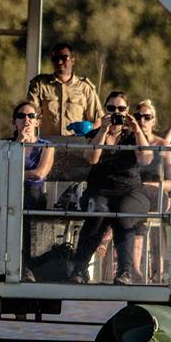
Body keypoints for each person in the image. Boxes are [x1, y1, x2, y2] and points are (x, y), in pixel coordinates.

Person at [70, 91, 155, 285]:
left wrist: (137, 130)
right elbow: (92, 158)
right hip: (100, 190)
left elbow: (146, 159)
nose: (116, 112)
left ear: (127, 111)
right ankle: (79, 268)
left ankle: (124, 272)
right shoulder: (95, 135)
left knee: (124, 215)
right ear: (105, 111)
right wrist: (103, 131)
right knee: (98, 213)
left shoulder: (134, 135)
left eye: (121, 109)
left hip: (130, 190)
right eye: (111, 108)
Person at [95, 99, 171, 283]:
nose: (142, 120)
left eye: (147, 117)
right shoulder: (129, 140)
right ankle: (132, 270)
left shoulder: (162, 145)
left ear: (154, 120)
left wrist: (150, 185)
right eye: (138, 116)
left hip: (155, 194)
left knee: (130, 205)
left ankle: (107, 239)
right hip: (132, 196)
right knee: (127, 208)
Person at [0, 101, 54, 281]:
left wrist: (13, 172)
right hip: (6, 190)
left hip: (32, 192)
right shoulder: (7, 145)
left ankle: (23, 266)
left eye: (31, 116)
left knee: (21, 211)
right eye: (21, 116)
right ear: (14, 122)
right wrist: (19, 143)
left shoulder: (46, 146)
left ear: (37, 121)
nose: (26, 120)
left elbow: (39, 173)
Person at [25, 43, 103, 137]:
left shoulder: (85, 88)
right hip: (47, 143)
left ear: (73, 60)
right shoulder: (40, 85)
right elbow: (29, 115)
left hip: (76, 143)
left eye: (64, 58)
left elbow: (97, 121)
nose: (59, 61)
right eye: (55, 59)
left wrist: (88, 129)